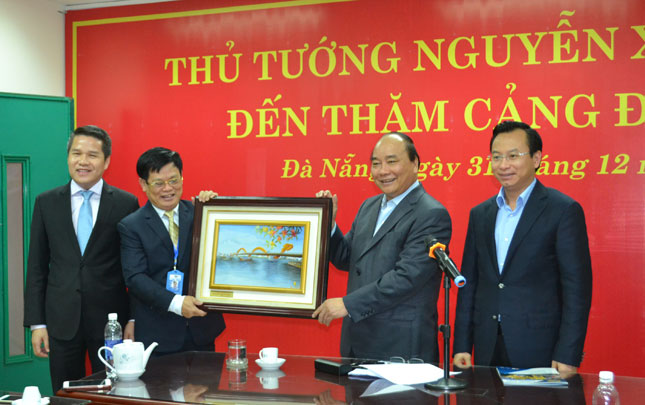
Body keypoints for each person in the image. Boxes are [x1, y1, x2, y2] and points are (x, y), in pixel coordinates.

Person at [453, 121, 592, 374]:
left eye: (513, 156)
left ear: (537, 158)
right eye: (496, 157)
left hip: (540, 348)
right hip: (487, 344)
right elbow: (469, 282)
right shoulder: (480, 214)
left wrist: (568, 353)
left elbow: (577, 290)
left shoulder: (562, 210)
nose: (503, 165)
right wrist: (462, 344)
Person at [313, 132, 452, 362]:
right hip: (358, 342)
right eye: (376, 163)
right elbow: (346, 257)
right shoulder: (369, 206)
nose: (382, 171)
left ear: (415, 163)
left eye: (391, 161)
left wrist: (348, 304)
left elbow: (406, 277)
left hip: (401, 348)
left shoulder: (431, 214)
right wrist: (329, 225)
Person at [23, 125, 139, 391]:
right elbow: (37, 267)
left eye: (92, 155)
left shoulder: (125, 203)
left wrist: (132, 319)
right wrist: (36, 323)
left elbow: (133, 269)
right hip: (61, 321)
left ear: (106, 161)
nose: (83, 161)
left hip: (111, 324)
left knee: (114, 393)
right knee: (65, 393)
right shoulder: (46, 202)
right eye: (76, 153)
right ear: (68, 158)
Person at [117, 147, 225, 355]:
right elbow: (135, 277)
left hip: (201, 330)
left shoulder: (200, 213)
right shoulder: (131, 225)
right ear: (143, 185)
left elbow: (222, 254)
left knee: (205, 387)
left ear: (182, 178)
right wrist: (176, 303)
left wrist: (216, 210)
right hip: (157, 335)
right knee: (161, 388)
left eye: (174, 180)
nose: (168, 189)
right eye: (158, 183)